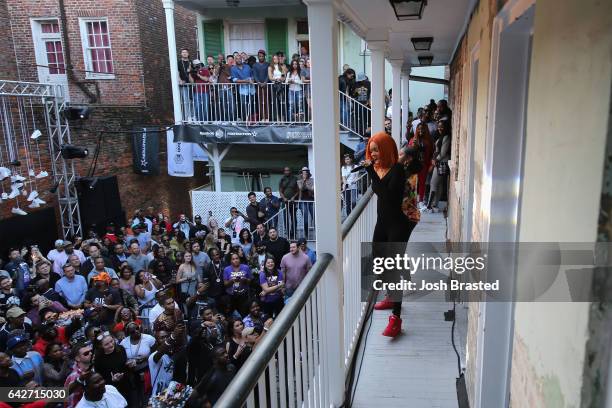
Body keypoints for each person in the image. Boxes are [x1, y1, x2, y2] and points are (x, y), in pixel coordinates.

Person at [363, 132, 419, 337]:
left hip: (398, 225)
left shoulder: (396, 170)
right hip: (383, 223)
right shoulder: (379, 168)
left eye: (376, 149)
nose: (373, 153)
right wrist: (373, 171)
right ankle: (390, 297)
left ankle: (396, 319)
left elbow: (387, 197)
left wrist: (370, 173)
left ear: (386, 149)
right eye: (371, 149)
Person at [426, 120, 452, 213]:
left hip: (441, 163)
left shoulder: (447, 137)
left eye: (442, 126)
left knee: (433, 183)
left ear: (446, 127)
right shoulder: (440, 137)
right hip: (438, 162)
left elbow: (443, 153)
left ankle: (429, 205)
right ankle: (435, 205)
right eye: (439, 126)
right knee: (439, 184)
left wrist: (435, 159)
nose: (440, 128)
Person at [409, 122, 434, 205]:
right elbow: (409, 152)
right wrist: (413, 145)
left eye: (422, 129)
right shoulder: (413, 139)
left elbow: (431, 154)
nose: (421, 130)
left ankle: (420, 200)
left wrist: (431, 164)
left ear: (425, 130)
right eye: (419, 129)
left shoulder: (429, 141)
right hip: (413, 164)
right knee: (413, 183)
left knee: (422, 183)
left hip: (424, 164)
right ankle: (412, 199)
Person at [65, 342, 93, 408]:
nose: (91, 354)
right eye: (86, 353)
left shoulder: (95, 368)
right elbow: (72, 401)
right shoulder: (74, 376)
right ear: (77, 358)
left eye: (91, 351)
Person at [231, 54, 255, 121]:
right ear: (235, 60)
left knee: (252, 104)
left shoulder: (247, 66)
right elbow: (234, 80)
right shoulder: (233, 68)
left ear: (242, 59)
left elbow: (252, 75)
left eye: (240, 58)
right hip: (242, 90)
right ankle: (245, 120)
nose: (238, 60)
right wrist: (246, 81)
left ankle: (251, 119)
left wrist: (252, 80)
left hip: (251, 89)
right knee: (244, 105)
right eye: (237, 59)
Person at [279, 167, 298, 236]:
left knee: (293, 217)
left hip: (293, 201)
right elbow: (280, 191)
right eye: (285, 170)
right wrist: (283, 197)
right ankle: (288, 232)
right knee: (285, 217)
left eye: (288, 170)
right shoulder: (282, 179)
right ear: (284, 171)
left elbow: (298, 190)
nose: (287, 172)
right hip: (285, 202)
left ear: (290, 171)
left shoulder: (295, 178)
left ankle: (294, 232)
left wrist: (294, 197)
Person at [297, 167, 315, 239]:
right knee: (306, 219)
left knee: (315, 217)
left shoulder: (312, 180)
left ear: (308, 173)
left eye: (306, 172)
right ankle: (306, 234)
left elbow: (312, 189)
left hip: (311, 201)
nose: (305, 173)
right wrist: (304, 181)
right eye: (304, 172)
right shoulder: (299, 181)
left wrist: (307, 184)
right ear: (302, 173)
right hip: (303, 201)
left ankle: (317, 233)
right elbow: (301, 188)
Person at [268, 54, 287, 121]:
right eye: (274, 59)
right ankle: (278, 119)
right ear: (272, 60)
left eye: (276, 58)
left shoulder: (282, 66)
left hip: (281, 86)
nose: (275, 60)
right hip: (274, 86)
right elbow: (270, 77)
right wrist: (276, 79)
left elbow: (283, 76)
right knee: (275, 103)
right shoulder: (270, 67)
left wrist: (280, 79)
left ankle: (282, 119)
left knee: (282, 103)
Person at [253, 49, 270, 121]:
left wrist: (265, 82)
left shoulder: (267, 64)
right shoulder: (255, 65)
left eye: (262, 56)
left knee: (266, 101)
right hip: (259, 85)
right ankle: (262, 117)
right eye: (259, 56)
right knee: (260, 102)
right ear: (258, 57)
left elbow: (268, 74)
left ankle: (267, 117)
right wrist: (258, 82)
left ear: (264, 57)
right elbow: (255, 75)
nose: (261, 57)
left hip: (266, 85)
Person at [178, 49, 194, 120]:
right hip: (184, 85)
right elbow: (177, 72)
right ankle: (187, 117)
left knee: (192, 101)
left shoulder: (191, 62)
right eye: (183, 52)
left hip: (192, 84)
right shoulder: (179, 62)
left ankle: (193, 116)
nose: (184, 54)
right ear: (181, 54)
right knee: (185, 101)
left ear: (188, 54)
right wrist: (180, 80)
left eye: (186, 52)